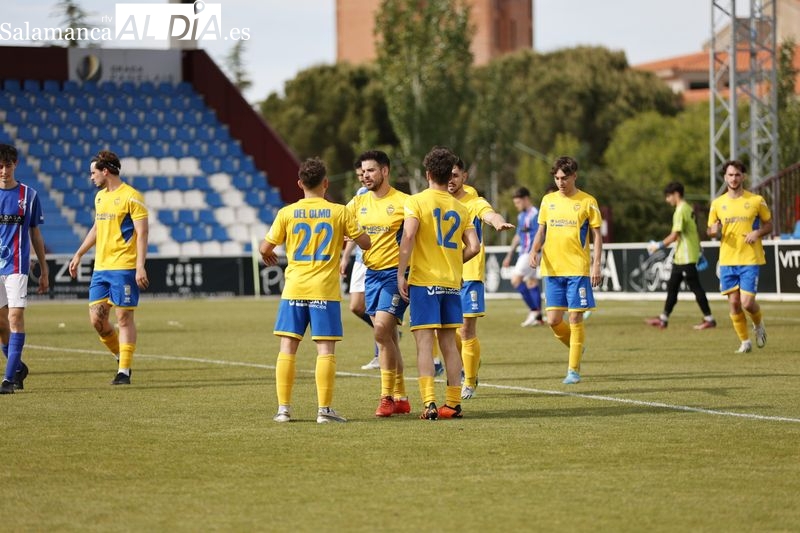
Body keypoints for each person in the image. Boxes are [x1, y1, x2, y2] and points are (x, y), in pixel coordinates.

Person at [261, 157, 370, 424]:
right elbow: (366, 242)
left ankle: (283, 410)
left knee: (288, 347)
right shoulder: (339, 212)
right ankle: (324, 410)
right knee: (325, 349)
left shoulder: (287, 213)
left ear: (300, 184)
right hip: (324, 289)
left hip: (295, 288)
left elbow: (265, 248)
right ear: (326, 183)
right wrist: (348, 234)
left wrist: (267, 255)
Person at [397, 147, 480, 420]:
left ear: (428, 174)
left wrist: (401, 273)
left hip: (424, 281)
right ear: (449, 176)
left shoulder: (416, 201)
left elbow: (409, 236)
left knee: (424, 344)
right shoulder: (461, 207)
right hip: (451, 283)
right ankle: (453, 404)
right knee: (449, 345)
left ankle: (429, 403)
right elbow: (474, 246)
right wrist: (455, 262)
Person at [68, 150, 149, 385]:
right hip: (101, 268)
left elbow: (142, 233)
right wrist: (79, 253)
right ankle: (120, 356)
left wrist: (140, 266)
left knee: (123, 318)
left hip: (124, 266)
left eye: (93, 173)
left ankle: (124, 371)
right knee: (97, 321)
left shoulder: (132, 196)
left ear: (105, 171)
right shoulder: (100, 197)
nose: (91, 177)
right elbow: (96, 228)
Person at [347, 150, 412, 417]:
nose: (365, 175)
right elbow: (342, 223)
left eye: (371, 170)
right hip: (372, 274)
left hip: (396, 275)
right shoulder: (358, 202)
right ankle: (401, 397)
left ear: (385, 171)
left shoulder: (404, 202)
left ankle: (386, 397)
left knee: (381, 331)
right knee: (387, 337)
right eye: (363, 171)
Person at [529, 156, 602, 385]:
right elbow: (541, 230)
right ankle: (576, 346)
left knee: (575, 317)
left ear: (574, 176)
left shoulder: (588, 201)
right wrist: (533, 250)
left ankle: (573, 370)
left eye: (565, 178)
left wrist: (596, 264)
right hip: (552, 269)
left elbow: (597, 235)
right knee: (553, 320)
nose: (560, 182)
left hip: (577, 269)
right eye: (557, 178)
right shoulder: (547, 200)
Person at [448, 158, 514, 399]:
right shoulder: (438, 201)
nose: (451, 179)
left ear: (464, 176)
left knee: (466, 330)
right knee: (447, 331)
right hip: (445, 274)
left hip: (470, 274)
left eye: (455, 175)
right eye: (447, 175)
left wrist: (498, 222)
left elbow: (489, 214)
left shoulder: (475, 202)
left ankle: (469, 381)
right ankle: (470, 361)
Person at [707, 160, 772, 353]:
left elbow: (769, 225)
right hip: (727, 260)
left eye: (737, 175)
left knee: (747, 303)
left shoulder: (756, 200)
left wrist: (757, 233)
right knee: (734, 304)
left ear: (743, 177)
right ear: (725, 177)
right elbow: (710, 230)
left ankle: (758, 325)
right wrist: (713, 231)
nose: (734, 178)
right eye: (730, 175)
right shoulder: (717, 203)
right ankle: (745, 342)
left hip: (749, 258)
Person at [0, 144, 49, 394]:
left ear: (15, 164)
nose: (3, 171)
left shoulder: (29, 195)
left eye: (7, 166)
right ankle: (18, 368)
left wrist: (44, 269)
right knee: (1, 325)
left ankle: (8, 380)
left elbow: (35, 233)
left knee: (15, 318)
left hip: (17, 266)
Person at [645, 181, 716, 330]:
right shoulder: (688, 208)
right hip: (682, 256)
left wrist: (657, 245)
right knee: (673, 287)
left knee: (695, 287)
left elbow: (674, 235)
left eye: (668, 196)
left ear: (676, 194)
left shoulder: (680, 210)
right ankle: (663, 318)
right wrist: (699, 250)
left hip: (686, 257)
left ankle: (709, 319)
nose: (667, 200)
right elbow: (692, 232)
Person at [340, 158, 380, 370]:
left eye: (366, 172)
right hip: (360, 259)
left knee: (377, 308)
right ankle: (386, 331)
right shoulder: (360, 195)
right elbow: (353, 230)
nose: (363, 177)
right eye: (359, 174)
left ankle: (380, 352)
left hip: (379, 259)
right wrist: (345, 256)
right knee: (356, 306)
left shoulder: (382, 195)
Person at [503, 187, 543, 327]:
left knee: (515, 280)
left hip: (531, 253)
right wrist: (509, 255)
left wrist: (538, 252)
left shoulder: (536, 214)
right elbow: (518, 236)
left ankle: (534, 310)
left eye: (518, 202)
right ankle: (538, 318)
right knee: (531, 282)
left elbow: (542, 234)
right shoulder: (521, 216)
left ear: (526, 199)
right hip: (523, 253)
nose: (517, 206)